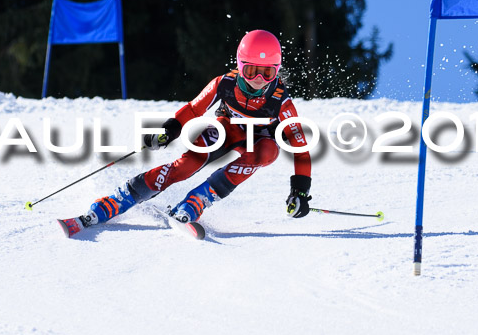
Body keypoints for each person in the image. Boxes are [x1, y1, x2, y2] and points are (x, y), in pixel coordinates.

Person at [72, 29, 312, 230]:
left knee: (267, 152)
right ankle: (122, 197)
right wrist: (169, 129)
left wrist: (300, 190)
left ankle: (200, 198)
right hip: (227, 129)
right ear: (240, 66)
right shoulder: (223, 84)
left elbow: (300, 149)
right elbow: (194, 109)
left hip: (259, 140)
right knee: (186, 165)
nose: (258, 79)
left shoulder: (281, 101)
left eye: (267, 72)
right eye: (251, 71)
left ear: (276, 70)